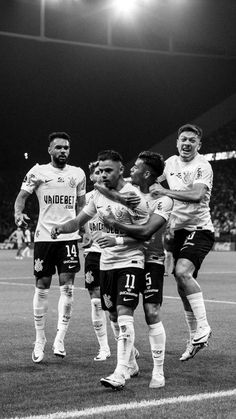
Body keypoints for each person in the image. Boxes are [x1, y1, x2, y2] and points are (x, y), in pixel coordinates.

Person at [51, 150, 149, 390]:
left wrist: (116, 241)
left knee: (124, 312)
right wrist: (61, 228)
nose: (104, 174)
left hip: (130, 262)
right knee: (113, 315)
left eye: (109, 170)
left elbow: (144, 237)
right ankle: (132, 364)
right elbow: (78, 221)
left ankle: (120, 372)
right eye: (101, 170)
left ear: (121, 170)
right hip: (106, 264)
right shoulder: (96, 197)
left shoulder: (133, 197)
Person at [98, 151, 173, 388]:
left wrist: (115, 228)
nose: (131, 169)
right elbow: (103, 183)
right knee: (115, 313)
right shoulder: (128, 192)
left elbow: (146, 232)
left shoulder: (163, 199)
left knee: (151, 311)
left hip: (151, 260)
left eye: (137, 166)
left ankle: (158, 372)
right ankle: (129, 364)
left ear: (147, 172)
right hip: (125, 259)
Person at [14, 131, 86, 363]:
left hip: (69, 238)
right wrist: (18, 213)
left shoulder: (78, 173)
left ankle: (60, 338)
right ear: (50, 150)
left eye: (66, 147)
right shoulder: (37, 172)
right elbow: (22, 197)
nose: (63, 151)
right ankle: (40, 339)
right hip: (44, 238)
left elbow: (82, 205)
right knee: (42, 287)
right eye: (59, 147)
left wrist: (84, 230)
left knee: (68, 289)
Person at [150, 123, 214, 361]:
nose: (187, 144)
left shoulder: (202, 166)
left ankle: (204, 327)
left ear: (199, 144)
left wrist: (164, 192)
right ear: (177, 143)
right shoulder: (170, 163)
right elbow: (151, 182)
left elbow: (197, 195)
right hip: (177, 231)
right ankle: (194, 337)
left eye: (192, 140)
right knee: (180, 282)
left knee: (182, 272)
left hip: (200, 229)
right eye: (183, 140)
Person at [83, 161, 110, 361]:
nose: (101, 175)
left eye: (104, 172)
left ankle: (125, 343)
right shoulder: (86, 199)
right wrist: (84, 234)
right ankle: (104, 348)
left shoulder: (119, 195)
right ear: (91, 177)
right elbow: (77, 220)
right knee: (95, 301)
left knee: (116, 305)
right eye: (97, 172)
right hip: (93, 253)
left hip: (115, 253)